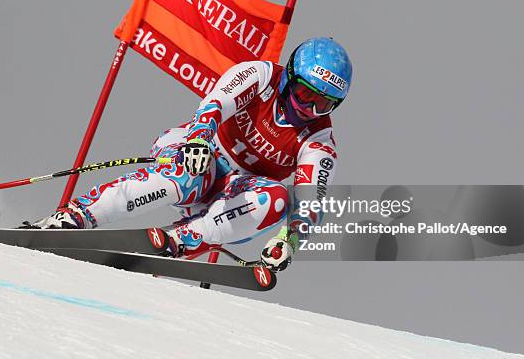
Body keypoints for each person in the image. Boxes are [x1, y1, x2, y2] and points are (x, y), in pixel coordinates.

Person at [29, 37, 352, 272]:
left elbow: (311, 203)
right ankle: (75, 216)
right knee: (190, 174)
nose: (309, 109)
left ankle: (178, 242)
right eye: (305, 94)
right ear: (289, 78)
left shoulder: (319, 141)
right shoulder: (262, 76)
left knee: (278, 199)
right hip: (198, 151)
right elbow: (215, 104)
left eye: (322, 104)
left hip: (233, 192)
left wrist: (289, 240)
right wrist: (199, 140)